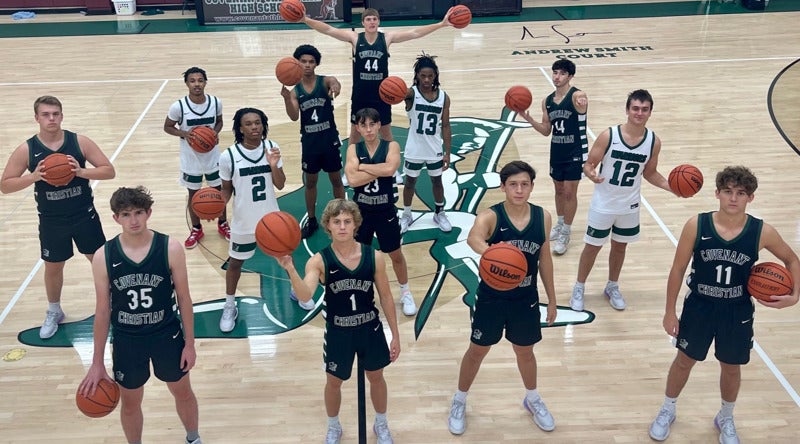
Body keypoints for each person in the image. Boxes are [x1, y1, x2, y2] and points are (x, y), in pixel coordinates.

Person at [648, 166, 799, 443]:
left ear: (750, 198)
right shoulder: (697, 225)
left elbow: (792, 259)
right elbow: (677, 270)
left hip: (737, 310)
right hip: (699, 307)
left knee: (731, 366)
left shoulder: (761, 231)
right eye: (728, 191)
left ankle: (726, 417)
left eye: (741, 193)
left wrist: (795, 295)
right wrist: (669, 312)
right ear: (717, 193)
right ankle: (667, 409)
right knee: (684, 361)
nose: (733, 198)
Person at [78, 186, 201, 444]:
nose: (133, 220)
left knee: (183, 392)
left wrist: (189, 344)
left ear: (148, 213)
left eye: (138, 213)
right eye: (126, 214)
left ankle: (193, 438)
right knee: (130, 403)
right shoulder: (103, 256)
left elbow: (184, 299)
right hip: (127, 340)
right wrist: (97, 361)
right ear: (116, 218)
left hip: (166, 335)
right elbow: (103, 311)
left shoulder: (170, 248)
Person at [277, 198, 401, 444]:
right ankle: (333, 426)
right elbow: (305, 295)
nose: (342, 226)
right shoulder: (318, 261)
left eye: (347, 221)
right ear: (328, 226)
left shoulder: (374, 257)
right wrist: (290, 269)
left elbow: (386, 297)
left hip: (370, 328)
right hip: (338, 331)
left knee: (376, 377)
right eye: (337, 222)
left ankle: (381, 423)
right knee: (333, 382)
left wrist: (395, 335)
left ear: (356, 225)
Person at [448, 160, 558, 435]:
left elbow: (544, 258)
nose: (519, 190)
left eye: (524, 184)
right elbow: (474, 238)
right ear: (503, 187)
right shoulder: (491, 216)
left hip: (525, 298)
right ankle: (459, 400)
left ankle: (532, 399)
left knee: (525, 351)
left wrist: (552, 299)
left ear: (532, 187)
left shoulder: (543, 217)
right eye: (513, 184)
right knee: (477, 351)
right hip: (492, 298)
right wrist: (492, 253)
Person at [0, 95, 115, 339]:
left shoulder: (79, 142)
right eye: (45, 114)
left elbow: (108, 171)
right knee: (53, 267)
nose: (51, 118)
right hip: (51, 220)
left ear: (62, 116)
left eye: (55, 114)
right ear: (37, 118)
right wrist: (34, 177)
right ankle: (54, 310)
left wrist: (81, 171)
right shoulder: (27, 149)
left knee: (99, 261)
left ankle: (113, 304)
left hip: (84, 215)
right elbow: (6, 185)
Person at [569, 89, 672, 312]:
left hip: (629, 205)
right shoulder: (609, 135)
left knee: (619, 247)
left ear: (650, 112)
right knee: (592, 247)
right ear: (627, 110)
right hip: (603, 204)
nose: (639, 113)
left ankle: (612, 286)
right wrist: (591, 174)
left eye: (644, 109)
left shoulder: (653, 142)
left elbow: (650, 172)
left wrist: (671, 187)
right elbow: (588, 164)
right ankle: (579, 287)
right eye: (635, 108)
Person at [301, 7, 455, 147]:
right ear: (363, 23)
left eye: (374, 19)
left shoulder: (386, 38)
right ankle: (352, 163)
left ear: (379, 22)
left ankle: (390, 163)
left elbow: (415, 33)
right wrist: (305, 19)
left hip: (382, 96)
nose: (372, 22)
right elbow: (328, 29)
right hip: (360, 95)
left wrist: (441, 24)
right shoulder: (355, 38)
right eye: (368, 19)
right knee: (355, 134)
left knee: (386, 133)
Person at [217, 107, 292, 333]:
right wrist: (216, 206)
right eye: (248, 124)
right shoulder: (228, 156)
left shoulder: (272, 147)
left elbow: (280, 184)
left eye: (257, 122)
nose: (254, 127)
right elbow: (226, 189)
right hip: (243, 222)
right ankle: (229, 305)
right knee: (235, 263)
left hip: (271, 219)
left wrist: (273, 165)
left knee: (286, 259)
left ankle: (298, 291)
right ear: (240, 129)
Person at [345, 108, 416, 316]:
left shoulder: (391, 145)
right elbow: (352, 180)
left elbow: (390, 170)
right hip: (361, 213)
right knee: (358, 256)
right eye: (363, 125)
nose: (368, 129)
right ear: (358, 128)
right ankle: (359, 294)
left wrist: (363, 167)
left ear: (378, 125)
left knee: (395, 254)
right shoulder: (353, 149)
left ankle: (405, 292)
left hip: (386, 210)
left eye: (372, 125)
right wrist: (380, 169)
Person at [521, 59, 588, 255]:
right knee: (558, 190)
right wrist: (529, 119)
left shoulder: (577, 95)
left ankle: (566, 232)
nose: (557, 77)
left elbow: (582, 101)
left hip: (576, 151)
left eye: (562, 73)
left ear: (570, 76)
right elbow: (546, 131)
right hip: (557, 151)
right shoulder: (547, 101)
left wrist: (583, 102)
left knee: (569, 192)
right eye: (555, 72)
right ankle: (559, 224)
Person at [281, 44, 346, 239]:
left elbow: (335, 83)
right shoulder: (295, 91)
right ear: (297, 63)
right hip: (310, 143)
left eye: (311, 61)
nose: (307, 65)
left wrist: (336, 87)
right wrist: (286, 99)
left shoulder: (325, 81)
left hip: (329, 140)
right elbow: (294, 116)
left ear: (316, 64)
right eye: (303, 61)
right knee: (310, 182)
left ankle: (342, 214)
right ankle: (311, 219)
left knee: (336, 179)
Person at [163, 66, 228, 249]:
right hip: (190, 158)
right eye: (192, 81)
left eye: (200, 80)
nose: (196, 84)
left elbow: (220, 121)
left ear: (205, 82)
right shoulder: (179, 106)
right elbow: (168, 127)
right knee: (193, 194)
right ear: (187, 84)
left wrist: (214, 133)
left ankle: (223, 223)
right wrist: (185, 134)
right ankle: (196, 229)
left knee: (218, 191)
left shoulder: (215, 102)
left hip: (212, 156)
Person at [398, 53, 453, 234]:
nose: (427, 80)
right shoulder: (411, 94)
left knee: (437, 181)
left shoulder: (444, 97)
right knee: (410, 183)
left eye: (430, 76)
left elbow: (446, 126)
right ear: (417, 76)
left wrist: (447, 152)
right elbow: (396, 93)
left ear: (435, 76)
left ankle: (439, 213)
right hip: (414, 148)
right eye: (423, 76)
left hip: (434, 148)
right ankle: (407, 214)